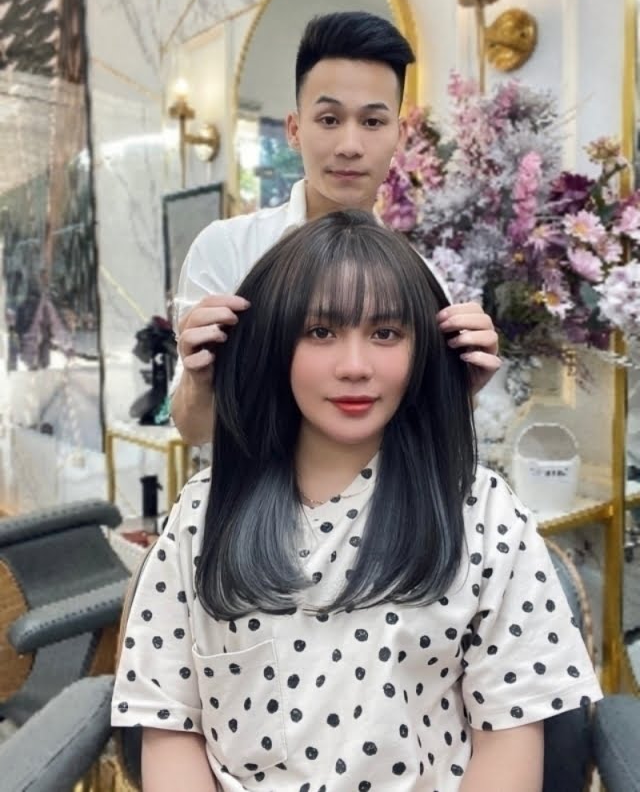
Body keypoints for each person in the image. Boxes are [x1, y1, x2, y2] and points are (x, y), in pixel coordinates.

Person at [113, 211, 601, 792]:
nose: (354, 367)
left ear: (424, 350)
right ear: (274, 345)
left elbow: (510, 731)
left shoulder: (483, 514)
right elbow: (168, 722)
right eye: (320, 332)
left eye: (385, 333)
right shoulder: (203, 516)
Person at [171, 11, 500, 446]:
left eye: (372, 122)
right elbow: (194, 431)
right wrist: (198, 381)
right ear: (294, 130)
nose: (349, 146)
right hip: (251, 489)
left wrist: (463, 388)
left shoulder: (422, 278)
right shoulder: (227, 249)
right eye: (329, 120)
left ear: (399, 135)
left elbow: (423, 432)